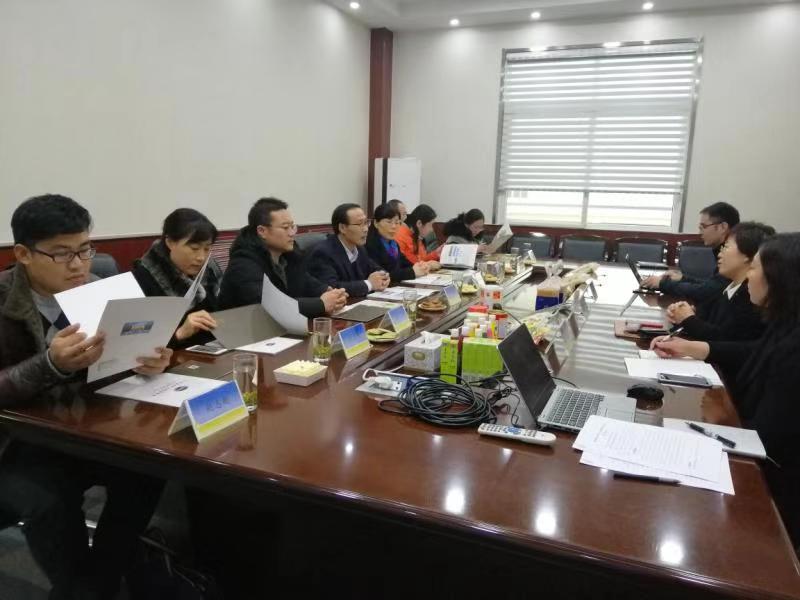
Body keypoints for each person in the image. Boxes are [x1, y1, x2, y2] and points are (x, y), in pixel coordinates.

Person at [0, 195, 170, 599]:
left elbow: (114, 361)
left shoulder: (97, 290)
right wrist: (50, 364)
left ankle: (100, 577)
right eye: (61, 254)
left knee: (149, 468)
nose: (78, 265)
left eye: (85, 249)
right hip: (15, 443)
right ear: (23, 254)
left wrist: (145, 361)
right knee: (49, 501)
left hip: (81, 430)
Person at [650, 233, 800, 544]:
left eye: (755, 269)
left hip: (774, 496)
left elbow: (767, 441)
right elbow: (754, 350)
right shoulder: (786, 324)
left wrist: (721, 422)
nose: (749, 279)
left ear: (779, 280)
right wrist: (695, 348)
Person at [218, 197, 347, 317]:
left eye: (292, 227)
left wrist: (329, 293)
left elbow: (305, 281)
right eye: (285, 228)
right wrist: (320, 304)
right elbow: (269, 305)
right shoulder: (243, 264)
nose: (292, 233)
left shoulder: (289, 255)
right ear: (262, 231)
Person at [665, 222, 774, 342]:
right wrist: (683, 316)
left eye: (726, 247)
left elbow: (726, 340)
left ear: (747, 255)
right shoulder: (728, 285)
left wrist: (689, 320)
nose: (720, 254)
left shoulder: (751, 295)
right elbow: (712, 325)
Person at [132, 208, 222, 347]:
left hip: (209, 352)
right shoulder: (142, 280)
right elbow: (137, 344)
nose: (201, 257)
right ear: (170, 242)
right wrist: (179, 333)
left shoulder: (208, 271)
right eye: (194, 248)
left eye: (207, 248)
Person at [642, 202, 740, 302]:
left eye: (703, 227)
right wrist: (682, 279)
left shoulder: (734, 256)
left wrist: (663, 284)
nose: (699, 232)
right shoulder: (722, 251)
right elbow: (712, 285)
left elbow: (706, 292)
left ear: (722, 227)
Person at [307, 204, 391, 297]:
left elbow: (375, 268)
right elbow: (332, 288)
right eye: (359, 224)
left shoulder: (360, 248)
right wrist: (369, 284)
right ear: (342, 228)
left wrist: (384, 277)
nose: (366, 229)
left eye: (366, 223)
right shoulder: (323, 252)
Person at [365, 203, 434, 282]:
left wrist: (420, 267)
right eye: (389, 222)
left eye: (397, 223)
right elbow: (383, 275)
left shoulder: (393, 244)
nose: (394, 226)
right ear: (376, 223)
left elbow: (406, 264)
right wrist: (412, 272)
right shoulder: (370, 245)